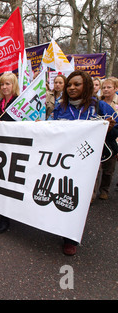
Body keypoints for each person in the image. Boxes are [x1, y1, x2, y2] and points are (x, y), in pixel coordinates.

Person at [53, 70, 117, 255]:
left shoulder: (99, 106)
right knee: (61, 193)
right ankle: (59, 226)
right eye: (69, 85)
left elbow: (114, 129)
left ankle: (71, 238)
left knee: (77, 198)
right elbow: (48, 128)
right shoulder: (60, 106)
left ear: (86, 86)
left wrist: (110, 129)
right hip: (62, 160)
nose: (72, 88)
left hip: (87, 162)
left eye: (77, 84)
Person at [0, 72, 20, 233]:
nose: (4, 87)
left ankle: (7, 215)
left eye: (8, 84)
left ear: (13, 85)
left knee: (10, 181)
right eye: (2, 84)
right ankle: (1, 212)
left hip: (14, 147)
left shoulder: (20, 102)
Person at [98, 77, 118, 200]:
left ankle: (104, 189)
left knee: (108, 168)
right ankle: (92, 193)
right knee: (95, 168)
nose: (106, 90)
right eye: (104, 87)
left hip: (113, 139)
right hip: (99, 138)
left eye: (109, 87)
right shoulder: (97, 103)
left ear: (115, 89)